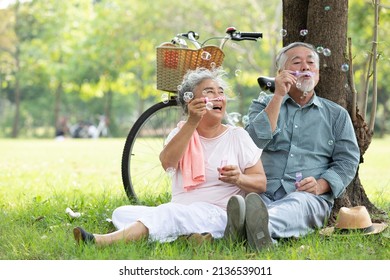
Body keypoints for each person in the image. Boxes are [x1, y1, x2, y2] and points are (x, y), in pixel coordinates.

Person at [73, 67, 267, 246]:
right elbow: (167, 163)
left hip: (219, 213)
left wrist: (239, 178)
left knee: (168, 213)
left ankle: (99, 242)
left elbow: (261, 183)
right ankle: (190, 236)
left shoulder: (237, 136)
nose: (218, 97)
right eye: (209, 92)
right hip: (181, 209)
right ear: (191, 102)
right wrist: (192, 122)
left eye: (221, 92)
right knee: (122, 212)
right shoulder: (181, 132)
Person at [224, 42, 360, 251]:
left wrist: (321, 185)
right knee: (248, 204)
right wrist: (278, 96)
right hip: (262, 193)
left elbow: (348, 160)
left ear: (317, 73)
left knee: (297, 205)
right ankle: (257, 230)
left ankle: (249, 227)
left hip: (307, 197)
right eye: (297, 62)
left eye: (310, 63)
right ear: (281, 73)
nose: (305, 67)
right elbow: (252, 143)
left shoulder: (336, 115)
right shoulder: (262, 105)